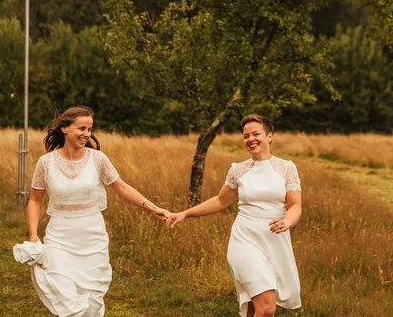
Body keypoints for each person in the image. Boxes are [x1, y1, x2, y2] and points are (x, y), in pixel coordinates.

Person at [22, 106, 169, 317]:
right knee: (64, 293)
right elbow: (35, 200)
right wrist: (34, 236)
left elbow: (122, 188)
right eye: (81, 128)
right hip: (59, 238)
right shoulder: (45, 163)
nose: (86, 134)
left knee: (91, 302)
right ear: (65, 129)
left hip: (93, 238)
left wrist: (152, 208)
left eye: (89, 129)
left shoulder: (98, 159)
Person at [166, 114, 302, 317]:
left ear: (270, 136)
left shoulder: (286, 168)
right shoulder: (238, 171)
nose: (250, 139)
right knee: (266, 308)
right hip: (245, 241)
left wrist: (287, 221)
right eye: (246, 136)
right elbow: (221, 201)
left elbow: (295, 205)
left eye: (256, 134)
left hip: (275, 242)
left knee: (254, 309)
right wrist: (186, 213)